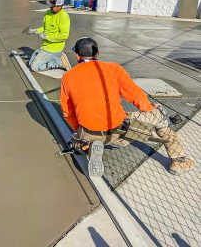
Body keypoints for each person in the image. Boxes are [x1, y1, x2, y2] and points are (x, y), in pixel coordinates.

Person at [60, 37, 195, 177]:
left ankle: (89, 146)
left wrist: (80, 131)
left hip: (87, 134)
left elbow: (67, 113)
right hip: (118, 132)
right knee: (158, 114)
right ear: (98, 53)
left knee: (85, 131)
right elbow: (136, 96)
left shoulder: (68, 77)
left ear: (77, 55)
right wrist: (152, 110)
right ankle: (178, 161)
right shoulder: (113, 68)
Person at [25, 0, 71, 72]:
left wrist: (47, 36)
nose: (50, 7)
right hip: (45, 46)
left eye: (52, 6)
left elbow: (64, 35)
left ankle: (59, 62)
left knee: (34, 67)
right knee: (30, 63)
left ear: (59, 6)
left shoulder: (64, 17)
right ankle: (54, 57)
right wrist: (34, 31)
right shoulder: (48, 13)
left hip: (54, 49)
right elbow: (44, 28)